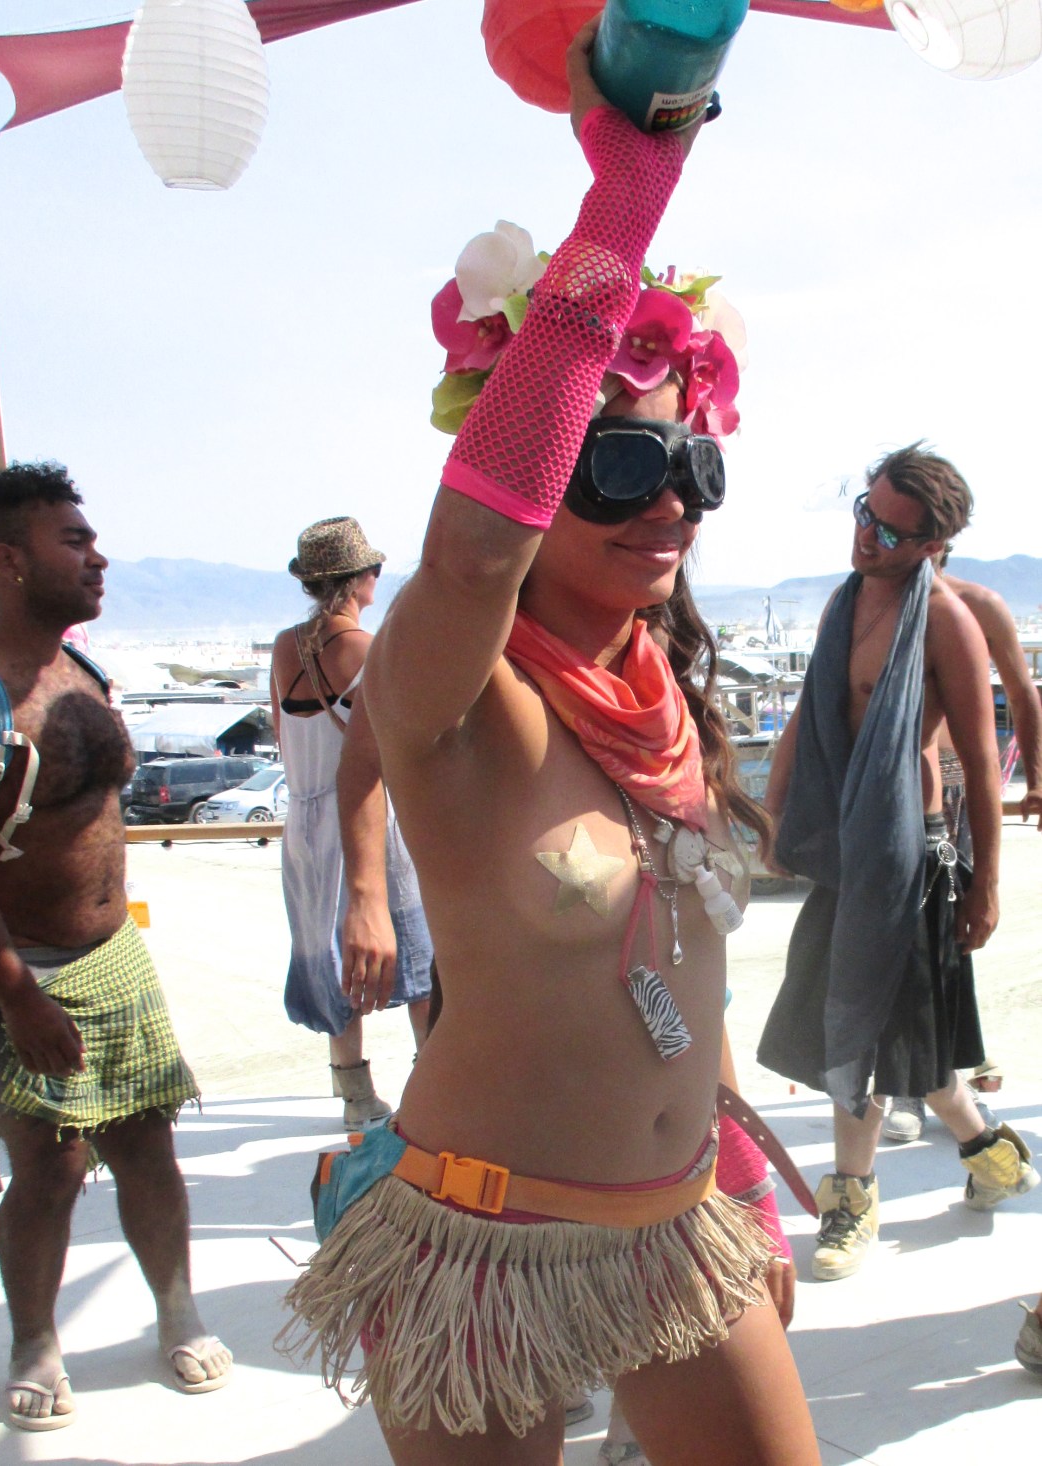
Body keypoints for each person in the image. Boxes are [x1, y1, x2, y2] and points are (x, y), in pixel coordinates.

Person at [281, 25, 818, 1465]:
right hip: (484, 1241)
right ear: (530, 473)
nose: (671, 500)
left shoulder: (655, 686)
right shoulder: (455, 694)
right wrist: (626, 197)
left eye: (692, 460)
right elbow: (466, 563)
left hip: (680, 1222)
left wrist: (731, 1161)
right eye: (620, 462)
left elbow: (663, 969)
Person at [0, 462, 232, 1430]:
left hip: (114, 955)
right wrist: (19, 993)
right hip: (17, 966)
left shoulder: (86, 670)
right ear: (10, 561)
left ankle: (176, 1309)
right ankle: (36, 1338)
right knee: (52, 1162)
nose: (98, 555)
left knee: (147, 1143)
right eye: (74, 539)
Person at [758, 444, 1038, 1282]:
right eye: (862, 514)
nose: (865, 537)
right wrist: (773, 818)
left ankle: (850, 1199)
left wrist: (986, 887)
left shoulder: (949, 618)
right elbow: (808, 719)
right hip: (848, 849)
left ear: (928, 545)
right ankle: (989, 1152)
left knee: (868, 1034)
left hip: (910, 852)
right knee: (907, 1044)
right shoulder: (844, 603)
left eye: (887, 530)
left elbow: (986, 765)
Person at [269, 518, 431, 1130]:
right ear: (362, 579)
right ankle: (430, 1081)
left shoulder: (286, 646)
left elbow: (285, 734)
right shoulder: (368, 651)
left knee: (334, 961)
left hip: (304, 822)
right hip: (365, 820)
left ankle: (355, 1096)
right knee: (417, 960)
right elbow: (391, 750)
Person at [883, 556, 1041, 1143]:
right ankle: (906, 1081)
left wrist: (1037, 779)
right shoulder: (870, 605)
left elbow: (1023, 694)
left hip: (958, 791)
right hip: (893, 793)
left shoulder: (978, 606)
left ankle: (944, 1070)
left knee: (952, 933)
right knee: (896, 938)